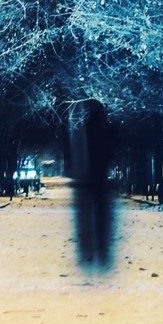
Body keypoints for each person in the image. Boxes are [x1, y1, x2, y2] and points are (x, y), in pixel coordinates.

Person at [70, 99, 116, 268]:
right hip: (101, 180)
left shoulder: (84, 131)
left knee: (86, 217)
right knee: (102, 216)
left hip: (86, 180)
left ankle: (88, 252)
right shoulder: (107, 130)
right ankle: (102, 251)